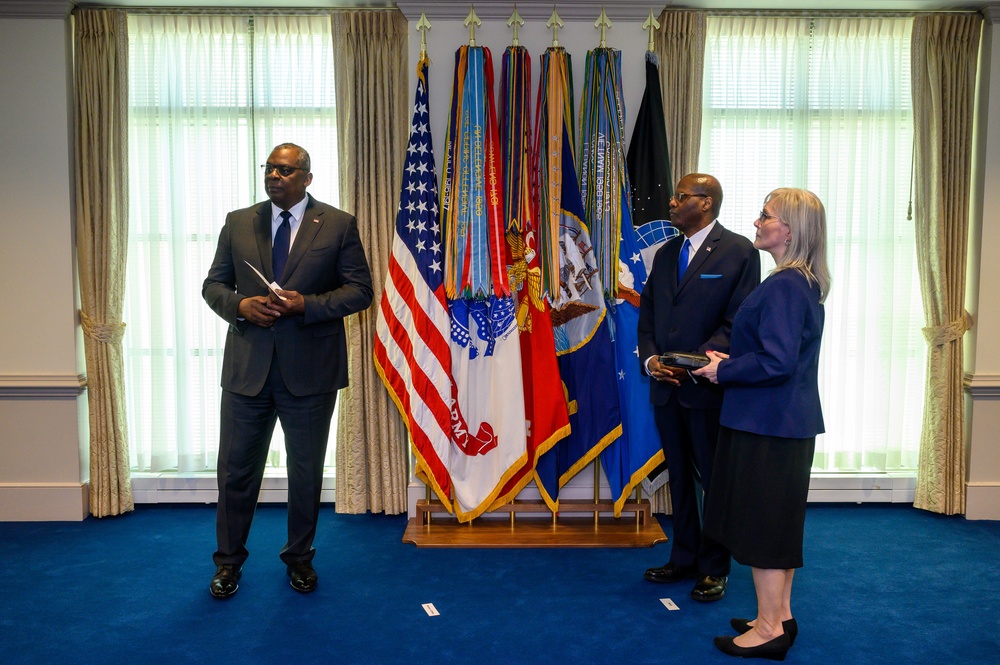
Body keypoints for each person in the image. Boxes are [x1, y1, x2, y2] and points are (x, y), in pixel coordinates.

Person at [202, 143, 374, 598]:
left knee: (304, 473)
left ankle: (299, 559)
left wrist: (307, 305)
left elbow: (360, 291)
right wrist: (239, 304)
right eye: (269, 169)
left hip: (311, 374)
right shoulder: (239, 222)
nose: (274, 176)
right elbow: (213, 284)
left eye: (284, 170)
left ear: (306, 178)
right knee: (236, 472)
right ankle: (228, 564)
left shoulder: (338, 224)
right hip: (247, 373)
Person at [695, 187, 830, 660]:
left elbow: (777, 362)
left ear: (787, 231)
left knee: (764, 527)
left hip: (769, 425)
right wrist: (729, 358)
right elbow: (777, 354)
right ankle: (779, 614)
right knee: (776, 525)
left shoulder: (787, 284)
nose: (755, 222)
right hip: (777, 421)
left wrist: (721, 369)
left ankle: (770, 628)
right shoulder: (799, 281)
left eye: (764, 216)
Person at [637, 173, 761, 602]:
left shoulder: (739, 251)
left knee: (713, 480)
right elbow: (650, 314)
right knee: (680, 481)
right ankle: (685, 556)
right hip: (666, 388)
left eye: (681, 196)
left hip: (707, 390)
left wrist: (691, 363)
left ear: (706, 203)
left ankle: (714, 568)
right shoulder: (668, 252)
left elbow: (738, 322)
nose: (671, 202)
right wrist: (652, 359)